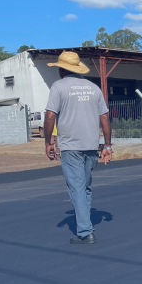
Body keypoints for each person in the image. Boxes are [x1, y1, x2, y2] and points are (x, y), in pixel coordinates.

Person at [44, 51, 112, 245]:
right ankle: (86, 223)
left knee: (77, 189)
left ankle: (85, 231)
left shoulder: (58, 87)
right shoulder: (93, 88)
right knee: (85, 187)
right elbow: (105, 117)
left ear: (62, 69)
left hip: (71, 146)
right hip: (91, 146)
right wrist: (107, 145)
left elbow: (50, 116)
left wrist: (48, 142)